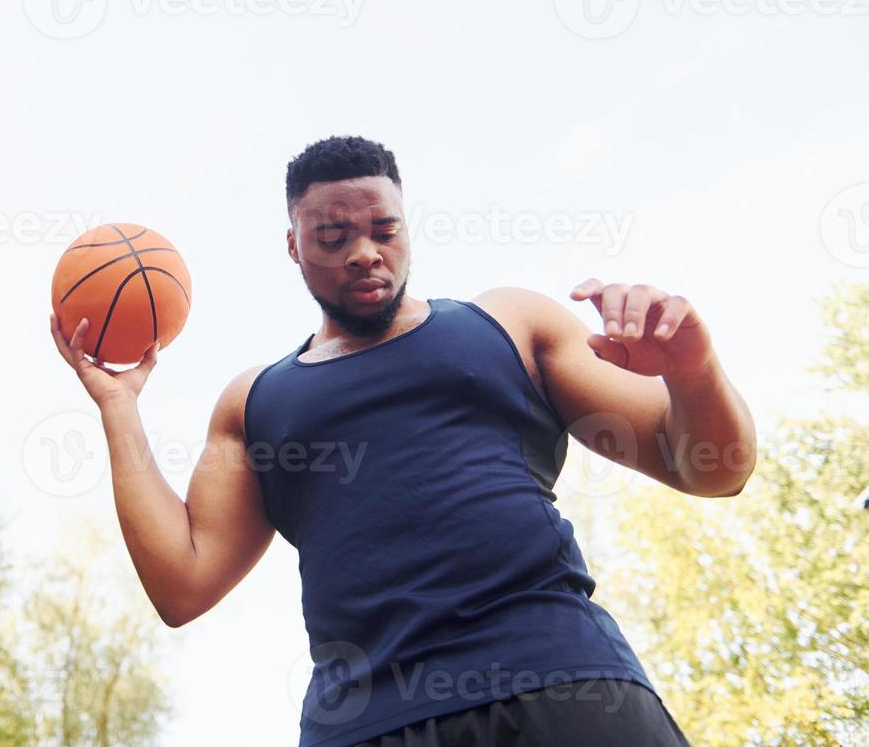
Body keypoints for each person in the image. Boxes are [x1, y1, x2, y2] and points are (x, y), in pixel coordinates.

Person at [49, 135, 756, 747]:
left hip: (564, 683)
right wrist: (118, 406)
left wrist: (694, 372)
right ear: (293, 244)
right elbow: (182, 585)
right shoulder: (255, 400)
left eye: (384, 231)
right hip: (367, 722)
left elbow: (712, 469)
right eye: (333, 237)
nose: (364, 253)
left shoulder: (509, 323)